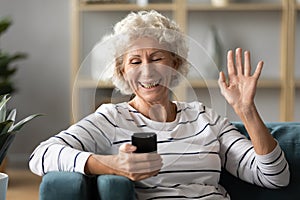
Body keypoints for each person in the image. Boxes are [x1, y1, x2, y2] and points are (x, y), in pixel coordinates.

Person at [29, 10, 289, 199]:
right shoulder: (111, 118)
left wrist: (246, 110)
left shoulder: (204, 118)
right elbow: (41, 156)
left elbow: (274, 177)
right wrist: (111, 164)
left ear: (175, 65)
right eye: (134, 62)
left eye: (156, 58)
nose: (147, 71)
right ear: (121, 71)